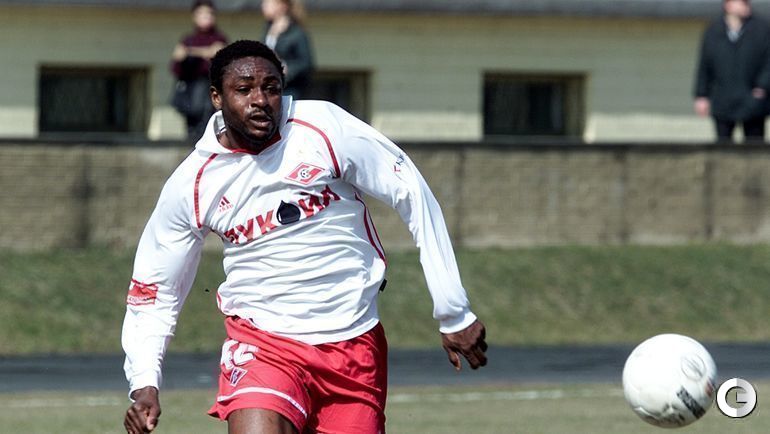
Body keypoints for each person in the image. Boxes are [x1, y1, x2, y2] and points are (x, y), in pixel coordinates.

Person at [122, 40, 487, 434]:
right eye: (243, 90)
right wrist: (144, 381)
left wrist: (453, 310)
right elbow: (155, 288)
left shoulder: (324, 128)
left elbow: (412, 192)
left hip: (352, 342)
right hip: (264, 343)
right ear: (216, 97)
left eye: (271, 88)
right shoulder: (192, 183)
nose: (260, 100)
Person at [694, 0, 770, 143]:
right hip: (723, 101)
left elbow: (768, 63)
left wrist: (762, 87)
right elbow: (705, 66)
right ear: (728, 5)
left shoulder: (762, 29)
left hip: (753, 101)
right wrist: (701, 95)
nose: (746, 5)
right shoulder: (713, 31)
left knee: (755, 146)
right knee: (723, 146)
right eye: (741, 2)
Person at [171, 0, 228, 141]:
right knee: (192, 133)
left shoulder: (219, 38)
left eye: (209, 14)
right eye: (202, 14)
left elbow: (219, 57)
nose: (206, 17)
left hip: (210, 96)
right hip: (191, 97)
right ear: (194, 16)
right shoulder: (188, 40)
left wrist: (192, 52)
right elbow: (176, 68)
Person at [260, 0, 315, 99]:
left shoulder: (296, 32)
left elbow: (306, 62)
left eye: (268, 3)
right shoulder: (267, 29)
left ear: (282, 6)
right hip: (269, 86)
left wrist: (287, 70)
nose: (263, 6)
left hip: (290, 89)